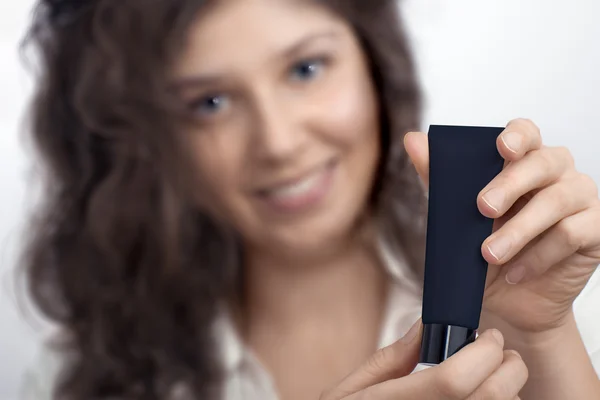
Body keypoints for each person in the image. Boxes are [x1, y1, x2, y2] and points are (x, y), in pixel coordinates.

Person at [19, 0, 600, 399]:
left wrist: (543, 342)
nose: (278, 142)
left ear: (373, 63)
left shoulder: (561, 311)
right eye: (210, 104)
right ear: (145, 141)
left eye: (306, 68)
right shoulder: (74, 378)